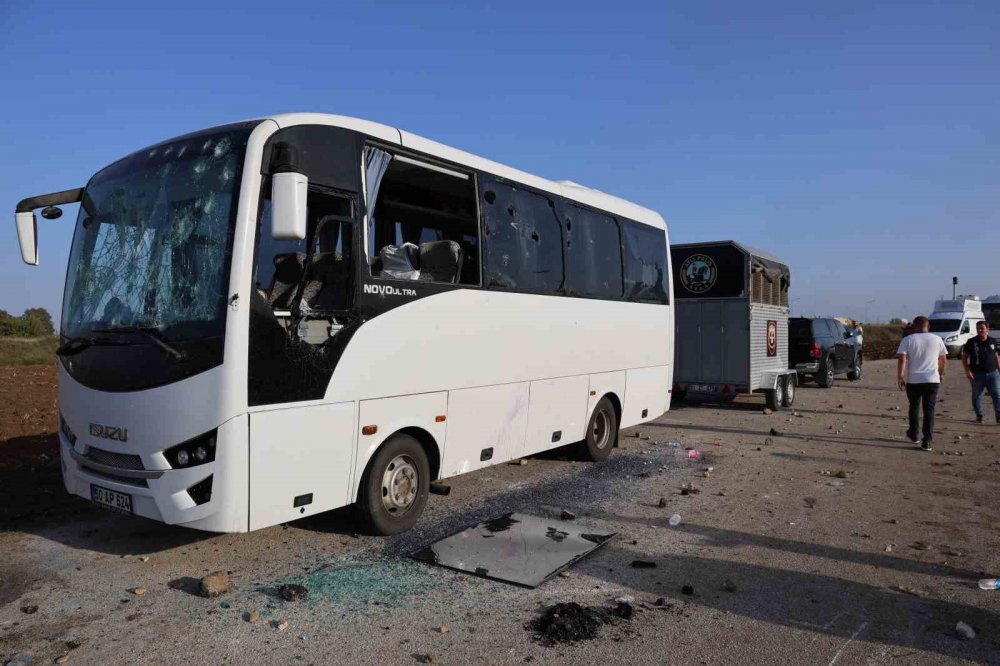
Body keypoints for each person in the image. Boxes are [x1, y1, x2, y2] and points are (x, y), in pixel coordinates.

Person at [896, 315, 947, 451]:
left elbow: (902, 359)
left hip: (914, 380)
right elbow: (943, 360)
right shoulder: (937, 339)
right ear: (928, 326)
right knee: (929, 409)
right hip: (932, 380)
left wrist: (900, 377)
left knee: (914, 406)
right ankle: (927, 440)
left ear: (913, 327)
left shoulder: (908, 339)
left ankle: (914, 434)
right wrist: (941, 374)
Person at [961, 321, 1000, 424]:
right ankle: (979, 415)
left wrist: (999, 370)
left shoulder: (992, 341)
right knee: (977, 395)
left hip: (993, 373)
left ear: (987, 329)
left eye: (982, 328)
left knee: (997, 394)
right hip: (977, 374)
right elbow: (964, 357)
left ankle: (999, 416)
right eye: (978, 328)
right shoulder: (971, 342)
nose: (979, 330)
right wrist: (967, 371)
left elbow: (996, 356)